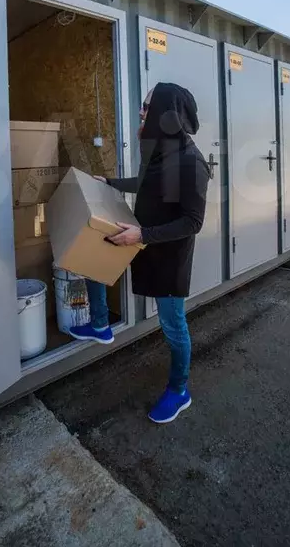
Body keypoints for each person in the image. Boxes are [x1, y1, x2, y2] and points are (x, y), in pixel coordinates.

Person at [69, 82, 209, 424]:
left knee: (172, 324)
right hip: (140, 237)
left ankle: (179, 391)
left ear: (167, 112)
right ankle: (101, 324)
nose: (142, 112)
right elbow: (146, 182)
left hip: (168, 256)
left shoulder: (192, 162)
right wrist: (112, 182)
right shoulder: (159, 149)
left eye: (148, 107)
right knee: (94, 253)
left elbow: (192, 222)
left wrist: (142, 234)